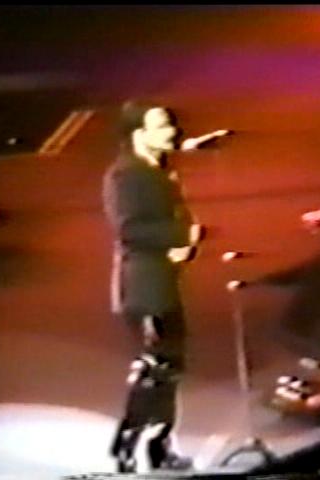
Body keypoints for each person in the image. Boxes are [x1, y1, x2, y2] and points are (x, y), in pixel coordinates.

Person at [102, 101, 231, 472]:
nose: (171, 132)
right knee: (154, 370)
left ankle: (157, 448)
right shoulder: (126, 175)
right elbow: (130, 230)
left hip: (163, 282)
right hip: (143, 287)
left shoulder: (156, 169)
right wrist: (183, 234)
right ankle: (128, 447)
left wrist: (183, 245)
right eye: (161, 126)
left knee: (168, 370)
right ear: (138, 134)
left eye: (171, 125)